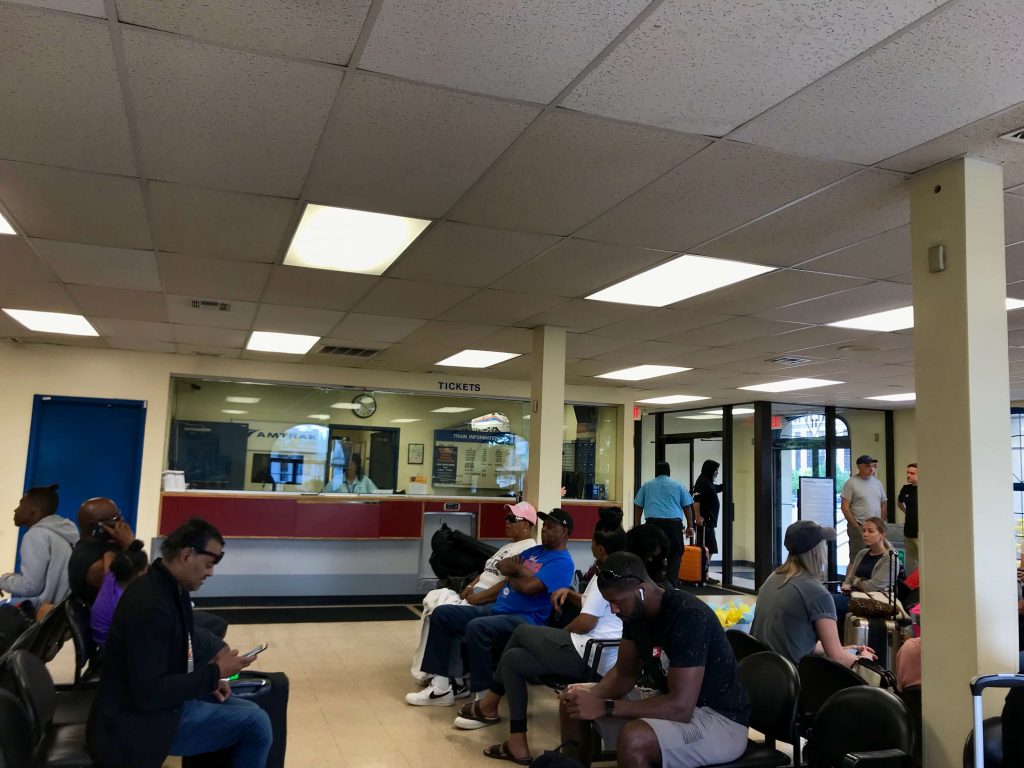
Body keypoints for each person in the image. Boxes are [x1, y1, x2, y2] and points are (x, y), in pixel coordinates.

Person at [87, 517, 270, 768]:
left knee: (250, 709)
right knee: (257, 724)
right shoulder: (151, 607)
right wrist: (214, 673)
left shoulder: (170, 588)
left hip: (150, 708)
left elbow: (179, 651)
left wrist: (211, 678)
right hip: (134, 726)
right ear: (187, 555)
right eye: (208, 564)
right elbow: (149, 693)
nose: (211, 572)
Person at [457, 511, 627, 764]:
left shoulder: (606, 576)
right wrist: (570, 594)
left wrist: (558, 636)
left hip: (590, 654)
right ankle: (517, 742)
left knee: (523, 632)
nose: (589, 545)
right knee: (514, 659)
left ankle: (489, 703)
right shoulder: (611, 571)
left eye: (591, 541)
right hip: (589, 649)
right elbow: (593, 606)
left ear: (599, 548)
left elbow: (586, 621)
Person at [558, 552, 750, 768]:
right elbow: (624, 674)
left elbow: (680, 707)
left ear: (641, 590)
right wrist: (588, 698)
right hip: (670, 700)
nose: (613, 610)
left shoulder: (687, 616)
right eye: (609, 603)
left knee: (635, 739)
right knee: (572, 702)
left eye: (617, 602)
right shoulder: (633, 613)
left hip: (720, 719)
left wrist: (605, 707)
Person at [407, 508, 575, 707]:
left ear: (564, 532)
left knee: (477, 627)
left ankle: (483, 699)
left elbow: (529, 587)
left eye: (550, 527)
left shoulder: (563, 562)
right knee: (443, 614)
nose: (544, 530)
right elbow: (504, 566)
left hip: (525, 619)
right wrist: (518, 573)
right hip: (498, 609)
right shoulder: (534, 552)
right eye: (544, 526)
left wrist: (518, 570)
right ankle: (441, 689)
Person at [410, 501, 538, 688]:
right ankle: (442, 673)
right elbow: (486, 572)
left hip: (490, 601)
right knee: (435, 603)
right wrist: (469, 587)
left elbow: (508, 583)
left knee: (443, 615)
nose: (507, 522)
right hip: (476, 595)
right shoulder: (507, 548)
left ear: (526, 525)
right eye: (506, 518)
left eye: (512, 519)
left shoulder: (528, 550)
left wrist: (479, 597)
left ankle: (446, 679)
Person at [68, 496, 228, 642]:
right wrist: (131, 544)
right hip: (125, 634)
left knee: (215, 624)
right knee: (207, 634)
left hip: (135, 618)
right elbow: (145, 583)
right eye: (116, 519)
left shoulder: (107, 547)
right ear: (98, 527)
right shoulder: (89, 562)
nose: (122, 523)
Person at [750, 520, 875, 668]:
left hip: (762, 670)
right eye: (825, 545)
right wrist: (865, 660)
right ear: (816, 551)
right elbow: (838, 659)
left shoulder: (774, 577)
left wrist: (842, 648)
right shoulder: (817, 592)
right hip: (794, 677)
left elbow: (792, 642)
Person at [1, 484, 78, 615]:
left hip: (43, 614)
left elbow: (31, 587)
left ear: (33, 510)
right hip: (62, 611)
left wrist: (2, 581)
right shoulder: (62, 532)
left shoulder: (36, 535)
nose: (15, 510)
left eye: (21, 505)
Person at [634, 461, 695, 587]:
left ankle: (653, 581)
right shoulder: (678, 485)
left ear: (656, 472)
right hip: (673, 525)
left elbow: (638, 506)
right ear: (669, 472)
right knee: (675, 554)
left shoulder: (647, 485)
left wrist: (637, 525)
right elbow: (687, 506)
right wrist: (690, 525)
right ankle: (670, 583)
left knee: (652, 552)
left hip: (652, 525)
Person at [832, 517, 898, 629]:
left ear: (882, 535)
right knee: (828, 601)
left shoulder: (890, 558)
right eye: (864, 530)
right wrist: (851, 584)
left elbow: (872, 586)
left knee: (831, 603)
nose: (865, 534)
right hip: (855, 595)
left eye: (870, 531)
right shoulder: (862, 553)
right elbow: (849, 579)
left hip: (876, 600)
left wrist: (857, 581)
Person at [90, 540, 149, 648]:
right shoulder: (124, 603)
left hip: (103, 635)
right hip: (109, 647)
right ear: (140, 575)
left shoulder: (112, 576)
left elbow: (108, 554)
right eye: (146, 570)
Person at [840, 455, 887, 560]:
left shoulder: (877, 483)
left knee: (877, 557)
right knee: (857, 559)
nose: (871, 468)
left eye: (873, 466)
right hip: (860, 526)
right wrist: (855, 526)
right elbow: (844, 507)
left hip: (876, 528)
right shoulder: (851, 483)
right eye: (867, 466)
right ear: (859, 467)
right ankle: (852, 577)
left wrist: (882, 523)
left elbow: (883, 504)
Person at [692, 460, 723, 585]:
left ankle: (703, 573)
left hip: (708, 522)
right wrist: (698, 517)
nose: (717, 472)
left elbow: (713, 489)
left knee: (709, 548)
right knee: (708, 548)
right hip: (704, 522)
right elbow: (696, 501)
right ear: (710, 469)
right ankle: (703, 574)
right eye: (716, 469)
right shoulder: (702, 481)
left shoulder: (707, 481)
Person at [898, 463, 919, 573]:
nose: (908, 475)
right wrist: (908, 512)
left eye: (912, 473)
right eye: (907, 473)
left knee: (922, 560)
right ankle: (911, 586)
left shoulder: (924, 490)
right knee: (910, 562)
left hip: (919, 533)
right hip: (908, 532)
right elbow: (900, 503)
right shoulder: (906, 489)